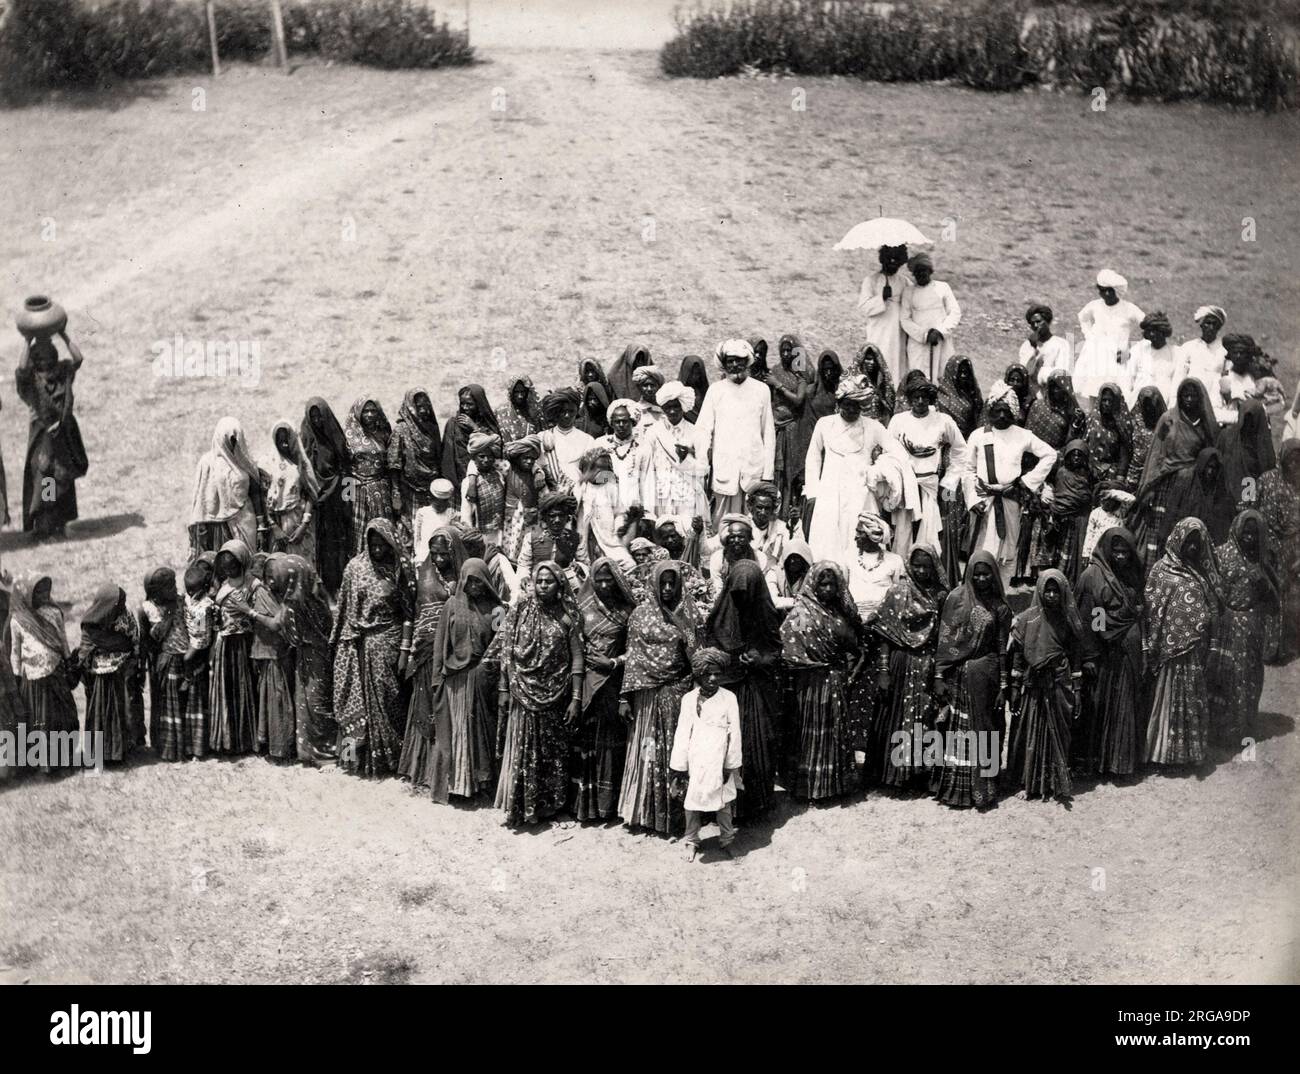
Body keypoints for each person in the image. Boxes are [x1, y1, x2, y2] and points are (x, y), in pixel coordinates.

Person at [490, 562, 584, 827]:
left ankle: (549, 806)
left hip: (556, 696)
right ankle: (521, 805)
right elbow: (507, 650)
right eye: (539, 581)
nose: (542, 586)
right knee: (523, 749)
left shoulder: (568, 615)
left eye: (548, 582)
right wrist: (504, 687)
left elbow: (577, 658)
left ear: (559, 585)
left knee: (551, 753)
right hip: (523, 691)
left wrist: (576, 699)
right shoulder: (520, 609)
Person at [618, 560, 697, 835]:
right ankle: (645, 812)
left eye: (671, 583)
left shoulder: (688, 614)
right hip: (647, 698)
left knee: (675, 755)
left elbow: (695, 659)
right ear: (653, 583)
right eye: (661, 583)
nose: (666, 588)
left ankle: (674, 817)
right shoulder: (639, 615)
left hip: (676, 693)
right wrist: (625, 698)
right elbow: (633, 658)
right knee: (647, 753)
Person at [332, 519, 414, 778]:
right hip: (357, 645)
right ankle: (352, 760)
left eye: (383, 544)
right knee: (352, 704)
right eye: (373, 544)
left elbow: (408, 614)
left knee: (390, 704)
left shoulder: (400, 569)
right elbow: (343, 609)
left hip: (388, 644)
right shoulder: (354, 568)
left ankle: (390, 762)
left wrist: (403, 651)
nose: (378, 549)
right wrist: (343, 645)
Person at [1006, 570, 1096, 801]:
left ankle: (1054, 781)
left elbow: (1075, 656)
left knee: (1058, 732)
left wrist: (1076, 690)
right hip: (1033, 685)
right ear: (1040, 590)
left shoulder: (1069, 620)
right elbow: (1017, 655)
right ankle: (1029, 782)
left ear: (1063, 591)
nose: (1052, 595)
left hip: (1058, 682)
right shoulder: (1027, 619)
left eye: (1057, 590)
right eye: (1048, 590)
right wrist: (1015, 687)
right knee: (1031, 732)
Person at [932, 551, 1011, 810]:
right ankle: (958, 789)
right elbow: (945, 640)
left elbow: (1001, 648)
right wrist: (940, 675)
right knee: (959, 732)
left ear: (994, 574)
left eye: (986, 573)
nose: (981, 578)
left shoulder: (999, 606)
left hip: (985, 677)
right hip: (958, 677)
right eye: (976, 573)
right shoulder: (956, 598)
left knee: (986, 729)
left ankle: (985, 788)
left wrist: (1002, 685)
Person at [958, 384, 1058, 588]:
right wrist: (973, 499)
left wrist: (1025, 483)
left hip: (1010, 500)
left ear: (1014, 412)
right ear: (990, 410)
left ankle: (1002, 595)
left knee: (1008, 550)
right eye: (998, 410)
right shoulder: (979, 435)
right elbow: (966, 469)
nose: (1002, 416)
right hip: (983, 501)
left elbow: (1050, 454)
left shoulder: (1023, 435)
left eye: (1007, 411)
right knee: (981, 549)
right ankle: (975, 594)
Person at [705, 559, 782, 821]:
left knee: (756, 744)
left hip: (757, 691)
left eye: (747, 593)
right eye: (738, 594)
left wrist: (760, 659)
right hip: (727, 689)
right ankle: (724, 806)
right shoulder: (721, 616)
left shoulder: (765, 613)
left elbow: (776, 650)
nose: (742, 599)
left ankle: (755, 804)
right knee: (724, 748)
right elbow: (709, 654)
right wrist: (730, 660)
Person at [778, 560, 861, 800]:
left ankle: (833, 786)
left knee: (832, 731)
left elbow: (855, 643)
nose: (826, 589)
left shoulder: (840, 611)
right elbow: (788, 643)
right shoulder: (803, 612)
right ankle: (809, 787)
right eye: (822, 584)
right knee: (810, 733)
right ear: (813, 584)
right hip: (809, 683)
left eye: (831, 585)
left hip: (835, 679)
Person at [1143, 518, 1220, 770]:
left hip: (1193, 653)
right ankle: (1160, 753)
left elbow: (1214, 607)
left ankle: (1185, 754)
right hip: (1168, 653)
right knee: (1165, 700)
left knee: (1190, 699)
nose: (1193, 549)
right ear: (1178, 540)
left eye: (1198, 544)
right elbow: (1151, 609)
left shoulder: (1200, 573)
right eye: (1188, 543)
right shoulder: (1160, 570)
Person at [804, 375, 904, 567]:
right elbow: (813, 458)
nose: (852, 410)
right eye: (848, 404)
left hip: (860, 494)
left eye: (857, 405)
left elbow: (896, 452)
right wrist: (813, 493)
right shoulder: (825, 424)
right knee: (826, 541)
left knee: (858, 538)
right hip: (829, 494)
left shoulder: (873, 427)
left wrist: (877, 470)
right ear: (840, 402)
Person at [425, 558, 503, 803]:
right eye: (470, 582)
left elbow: (499, 649)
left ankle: (479, 786)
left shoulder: (496, 610)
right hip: (454, 681)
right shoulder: (451, 605)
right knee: (453, 733)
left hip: (480, 681)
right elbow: (440, 645)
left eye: (479, 582)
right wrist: (437, 680)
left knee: (477, 735)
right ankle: (455, 787)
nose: (474, 587)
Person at [871, 546, 947, 790]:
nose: (922, 571)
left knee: (925, 716)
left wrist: (939, 673)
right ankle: (895, 775)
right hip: (900, 662)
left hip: (927, 663)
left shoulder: (941, 596)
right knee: (896, 717)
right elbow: (884, 632)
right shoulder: (898, 591)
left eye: (927, 566)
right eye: (917, 566)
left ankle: (922, 775)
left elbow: (943, 637)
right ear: (909, 566)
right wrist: (883, 670)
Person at [1072, 528, 1145, 778]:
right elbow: (1090, 618)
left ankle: (1120, 763)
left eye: (1126, 552)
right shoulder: (1092, 577)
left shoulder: (1133, 574)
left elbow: (1140, 607)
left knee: (1124, 704)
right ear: (1107, 550)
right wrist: (1093, 653)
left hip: (1127, 654)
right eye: (1116, 551)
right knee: (1100, 707)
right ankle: (1096, 763)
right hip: (1103, 655)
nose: (1121, 557)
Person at [398, 526, 466, 790]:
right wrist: (407, 650)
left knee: (446, 708)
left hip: (452, 651)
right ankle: (420, 769)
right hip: (425, 649)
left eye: (443, 554)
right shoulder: (423, 574)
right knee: (424, 704)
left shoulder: (463, 574)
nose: (438, 559)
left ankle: (445, 775)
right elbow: (411, 613)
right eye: (434, 553)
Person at [572, 558, 634, 821]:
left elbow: (637, 651)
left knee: (610, 745)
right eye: (600, 580)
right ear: (592, 581)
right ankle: (584, 807)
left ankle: (607, 806)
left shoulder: (628, 611)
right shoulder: (581, 607)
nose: (605, 584)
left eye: (610, 579)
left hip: (613, 685)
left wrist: (613, 662)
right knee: (586, 742)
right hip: (586, 684)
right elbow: (573, 642)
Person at [1132, 378, 1219, 564]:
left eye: (1193, 396)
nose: (1189, 399)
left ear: (1200, 398)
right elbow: (1157, 452)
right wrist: (1149, 486)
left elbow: (1210, 453)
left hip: (1191, 486)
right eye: (1185, 395)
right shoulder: (1168, 420)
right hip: (1166, 483)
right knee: (1160, 532)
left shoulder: (1205, 424)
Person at [670, 648, 743, 861]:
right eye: (707, 674)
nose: (712, 678)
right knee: (692, 802)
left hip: (719, 758)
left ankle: (727, 838)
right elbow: (682, 733)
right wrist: (680, 767)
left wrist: (730, 764)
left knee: (724, 801)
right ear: (698, 674)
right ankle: (691, 840)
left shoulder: (729, 698)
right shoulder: (689, 700)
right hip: (696, 759)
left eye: (717, 674)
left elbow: (735, 733)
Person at [1212, 511, 1277, 751]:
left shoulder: (1261, 559)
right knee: (1227, 676)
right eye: (1245, 532)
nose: (1249, 538)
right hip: (1226, 625)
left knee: (1250, 676)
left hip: (1252, 627)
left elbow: (1273, 601)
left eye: (1254, 534)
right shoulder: (1222, 554)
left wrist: (1263, 582)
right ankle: (1223, 731)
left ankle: (1245, 728)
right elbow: (1213, 590)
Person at [696, 339, 777, 527]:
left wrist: (767, 473)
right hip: (725, 469)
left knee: (754, 525)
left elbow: (768, 433)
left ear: (747, 361)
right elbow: (703, 429)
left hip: (753, 468)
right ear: (723, 365)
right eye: (729, 361)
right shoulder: (716, 391)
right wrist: (702, 464)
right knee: (723, 525)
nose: (734, 365)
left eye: (738, 360)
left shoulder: (761, 390)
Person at [15, 332, 88, 540]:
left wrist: (64, 334)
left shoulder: (62, 374)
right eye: (41, 356)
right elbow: (21, 370)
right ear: (35, 360)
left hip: (63, 435)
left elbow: (78, 359)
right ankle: (45, 526)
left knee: (61, 478)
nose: (46, 360)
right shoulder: (32, 381)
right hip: (42, 437)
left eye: (49, 354)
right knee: (46, 477)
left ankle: (57, 525)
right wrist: (27, 342)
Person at [888, 375, 966, 559]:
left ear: (930, 399)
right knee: (903, 532)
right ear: (909, 399)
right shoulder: (898, 421)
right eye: (916, 397)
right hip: (905, 486)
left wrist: (950, 481)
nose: (920, 401)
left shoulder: (943, 420)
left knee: (932, 531)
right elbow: (888, 451)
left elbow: (961, 450)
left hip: (933, 486)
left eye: (924, 397)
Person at [8, 574, 77, 773]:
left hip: (55, 672)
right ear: (28, 594)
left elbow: (62, 640)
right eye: (39, 592)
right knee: (41, 721)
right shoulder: (18, 620)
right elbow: (15, 652)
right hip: (33, 678)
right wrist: (16, 679)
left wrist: (68, 660)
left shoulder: (54, 613)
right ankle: (46, 763)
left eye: (47, 590)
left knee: (63, 716)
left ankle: (66, 757)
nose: (45, 595)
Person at [208, 540, 269, 756]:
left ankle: (247, 739)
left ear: (242, 563)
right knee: (228, 691)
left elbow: (261, 612)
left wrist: (246, 611)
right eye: (225, 568)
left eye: (233, 567)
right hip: (225, 644)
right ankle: (229, 741)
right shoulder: (223, 585)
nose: (229, 572)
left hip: (244, 644)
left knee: (245, 689)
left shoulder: (253, 585)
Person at [278, 553, 336, 766]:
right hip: (316, 656)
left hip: (312, 658)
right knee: (312, 703)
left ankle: (323, 754)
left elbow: (291, 636)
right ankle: (314, 751)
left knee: (314, 704)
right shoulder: (314, 596)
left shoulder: (296, 604)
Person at [77, 584, 138, 764]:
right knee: (104, 713)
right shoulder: (91, 623)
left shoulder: (125, 617)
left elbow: (134, 641)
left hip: (119, 674)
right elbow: (84, 650)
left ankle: (117, 752)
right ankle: (103, 752)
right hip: (99, 677)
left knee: (116, 713)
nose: (122, 607)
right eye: (119, 604)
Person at [189, 417, 266, 556]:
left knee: (245, 563)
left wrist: (261, 527)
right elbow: (200, 499)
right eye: (228, 439)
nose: (232, 444)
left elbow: (255, 493)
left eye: (235, 440)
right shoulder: (207, 463)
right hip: (215, 527)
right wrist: (202, 529)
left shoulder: (245, 461)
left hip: (244, 524)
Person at [299, 397, 351, 597]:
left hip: (337, 503)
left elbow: (347, 471)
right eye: (313, 417)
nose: (317, 421)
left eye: (320, 416)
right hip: (315, 504)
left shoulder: (336, 438)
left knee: (338, 546)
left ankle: (338, 587)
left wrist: (348, 500)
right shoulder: (305, 439)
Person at [138, 568, 189, 761]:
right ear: (155, 591)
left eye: (174, 583)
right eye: (168, 586)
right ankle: (166, 746)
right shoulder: (146, 609)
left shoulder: (182, 600)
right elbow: (146, 641)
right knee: (165, 704)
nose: (174, 588)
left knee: (185, 702)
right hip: (162, 661)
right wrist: (144, 668)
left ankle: (188, 745)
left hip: (184, 657)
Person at [1074, 269, 1144, 408]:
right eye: (1102, 290)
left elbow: (1148, 325)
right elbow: (1083, 318)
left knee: (1117, 393)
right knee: (1092, 390)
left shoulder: (1129, 309)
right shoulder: (1095, 305)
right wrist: (1089, 336)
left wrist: (1132, 350)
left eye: (1110, 291)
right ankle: (1094, 421)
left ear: (1117, 291)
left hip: (1117, 357)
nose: (1106, 294)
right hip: (1095, 354)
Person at [1257, 440, 1300, 661]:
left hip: (1290, 550)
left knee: (1283, 596)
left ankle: (1278, 647)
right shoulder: (1265, 479)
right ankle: (1264, 647)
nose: (1294, 463)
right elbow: (1251, 508)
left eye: (1297, 459)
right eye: (1290, 458)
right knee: (1266, 594)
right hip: (1267, 546)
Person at [644, 381, 710, 522]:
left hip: (687, 496)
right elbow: (648, 469)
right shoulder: (653, 432)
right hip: (662, 496)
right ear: (663, 408)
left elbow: (703, 470)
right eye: (668, 407)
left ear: (683, 407)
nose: (672, 411)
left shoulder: (697, 433)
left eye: (676, 407)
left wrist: (686, 460)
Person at [254, 556, 298, 761]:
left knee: (281, 700)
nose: (271, 581)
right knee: (272, 700)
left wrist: (250, 613)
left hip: (284, 655)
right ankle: (273, 746)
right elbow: (272, 625)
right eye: (268, 576)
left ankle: (283, 746)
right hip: (268, 655)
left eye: (276, 576)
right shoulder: (262, 593)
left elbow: (279, 624)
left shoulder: (291, 596)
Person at [1036, 440, 1095, 585]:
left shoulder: (1089, 474)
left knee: (1076, 550)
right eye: (1073, 454)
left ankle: (1074, 580)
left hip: (1080, 518)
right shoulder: (1061, 472)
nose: (1076, 458)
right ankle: (1056, 579)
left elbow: (1090, 494)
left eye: (1080, 455)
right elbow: (1059, 494)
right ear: (1067, 456)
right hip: (1061, 518)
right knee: (1060, 551)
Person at [769, 337, 815, 512]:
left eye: (790, 350)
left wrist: (778, 385)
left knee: (791, 472)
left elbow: (798, 400)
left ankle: (790, 511)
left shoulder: (799, 372)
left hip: (793, 429)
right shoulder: (774, 370)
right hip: (776, 428)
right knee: (776, 472)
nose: (786, 354)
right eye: (783, 350)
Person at [387, 389, 442, 531]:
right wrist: (396, 491)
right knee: (411, 526)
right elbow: (394, 464)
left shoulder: (432, 428)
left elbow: (437, 457)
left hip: (430, 487)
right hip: (409, 489)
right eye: (419, 407)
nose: (423, 410)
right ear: (410, 407)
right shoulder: (401, 430)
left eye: (426, 406)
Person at [343, 398, 394, 552]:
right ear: (358, 412)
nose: (370, 414)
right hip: (357, 490)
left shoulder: (384, 432)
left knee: (381, 530)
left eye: (373, 410)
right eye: (366, 411)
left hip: (380, 490)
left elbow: (390, 464)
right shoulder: (348, 434)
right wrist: (347, 498)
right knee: (357, 532)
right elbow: (345, 468)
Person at [265, 421, 319, 560]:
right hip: (275, 524)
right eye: (280, 440)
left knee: (302, 566)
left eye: (287, 439)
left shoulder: (301, 463)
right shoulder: (266, 463)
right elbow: (261, 496)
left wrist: (304, 525)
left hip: (298, 521)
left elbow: (310, 494)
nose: (284, 444)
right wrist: (274, 527)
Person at [857, 243, 911, 383]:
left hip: (898, 332)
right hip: (879, 330)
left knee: (897, 364)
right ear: (883, 259)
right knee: (879, 361)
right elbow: (864, 307)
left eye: (896, 260)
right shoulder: (871, 281)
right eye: (890, 259)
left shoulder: (905, 282)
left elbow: (914, 303)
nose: (893, 263)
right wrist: (882, 298)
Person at [575, 447, 636, 571]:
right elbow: (574, 509)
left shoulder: (611, 487)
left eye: (604, 468)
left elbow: (619, 512)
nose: (601, 472)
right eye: (597, 468)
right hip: (586, 537)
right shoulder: (581, 487)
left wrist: (619, 527)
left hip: (608, 538)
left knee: (629, 565)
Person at [900, 252, 960, 376]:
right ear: (913, 274)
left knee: (943, 375)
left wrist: (940, 331)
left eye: (924, 270)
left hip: (941, 341)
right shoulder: (908, 292)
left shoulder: (943, 287)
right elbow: (904, 319)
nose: (921, 274)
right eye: (917, 271)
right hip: (918, 344)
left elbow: (955, 312)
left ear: (930, 271)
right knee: (920, 378)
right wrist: (924, 335)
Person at [440, 385, 500, 505]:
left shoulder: (487, 424)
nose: (465, 407)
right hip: (458, 479)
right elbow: (447, 457)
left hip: (485, 481)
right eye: (462, 403)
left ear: (479, 404)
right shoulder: (453, 424)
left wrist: (475, 428)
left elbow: (496, 448)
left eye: (470, 404)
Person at [181, 560, 214, 757]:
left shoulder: (204, 608)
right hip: (191, 642)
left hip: (198, 649)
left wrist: (189, 656)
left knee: (199, 699)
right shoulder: (188, 599)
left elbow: (201, 638)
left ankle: (201, 746)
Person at [1217, 398, 1276, 509]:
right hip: (1228, 497)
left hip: (1253, 499)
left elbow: (1268, 474)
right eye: (1246, 418)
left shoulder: (1263, 444)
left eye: (1252, 419)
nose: (1249, 423)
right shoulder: (1227, 436)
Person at [847, 513, 905, 619]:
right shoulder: (848, 557)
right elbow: (843, 592)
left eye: (860, 533)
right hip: (854, 619)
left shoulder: (895, 560)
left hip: (884, 620)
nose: (856, 537)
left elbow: (899, 596)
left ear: (873, 536)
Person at [537, 388, 595, 491]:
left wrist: (590, 478)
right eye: (562, 411)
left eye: (571, 411)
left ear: (577, 411)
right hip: (551, 496)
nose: (567, 415)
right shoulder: (542, 437)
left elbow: (603, 478)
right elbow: (536, 468)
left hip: (580, 496)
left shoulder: (587, 440)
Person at [1174, 305, 1228, 411]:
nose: (1211, 327)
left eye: (1215, 324)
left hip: (1215, 401)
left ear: (1219, 327)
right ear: (1201, 325)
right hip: (1191, 400)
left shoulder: (1225, 350)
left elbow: (1227, 377)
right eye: (1208, 323)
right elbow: (1179, 376)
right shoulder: (1189, 347)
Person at [460, 433, 508, 550]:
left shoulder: (499, 475)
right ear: (474, 459)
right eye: (481, 457)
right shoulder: (469, 482)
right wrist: (472, 536)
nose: (486, 460)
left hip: (501, 532)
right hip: (482, 534)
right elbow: (466, 513)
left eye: (490, 456)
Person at [1125, 311, 1178, 407]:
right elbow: (1128, 379)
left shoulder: (1175, 353)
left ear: (1163, 331)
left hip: (1164, 404)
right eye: (1149, 331)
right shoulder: (1138, 350)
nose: (1152, 334)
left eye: (1155, 330)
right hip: (1138, 403)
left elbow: (1176, 383)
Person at [1085, 383, 1132, 488]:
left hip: (1110, 470)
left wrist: (1120, 476)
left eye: (1110, 401)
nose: (1106, 404)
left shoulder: (1121, 425)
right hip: (1089, 468)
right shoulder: (1091, 419)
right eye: (1104, 400)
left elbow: (1124, 453)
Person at [1020, 304, 1072, 389]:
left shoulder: (1061, 344)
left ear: (1048, 322)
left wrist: (1043, 374)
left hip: (1053, 390)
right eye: (1032, 323)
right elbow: (1025, 372)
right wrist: (1033, 348)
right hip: (1031, 391)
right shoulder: (1027, 345)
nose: (1036, 326)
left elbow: (1062, 372)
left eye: (1038, 321)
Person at [1124, 386, 1166, 492]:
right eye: (1146, 406)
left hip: (1154, 474)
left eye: (1152, 406)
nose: (1149, 409)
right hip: (1132, 474)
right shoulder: (1134, 420)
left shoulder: (1166, 424)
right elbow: (1125, 448)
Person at [934, 355, 984, 440]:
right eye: (959, 372)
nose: (963, 376)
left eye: (966, 372)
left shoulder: (973, 393)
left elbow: (980, 418)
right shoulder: (941, 398)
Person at [412, 478, 459, 564]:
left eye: (444, 501)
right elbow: (417, 537)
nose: (441, 505)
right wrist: (419, 554)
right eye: (438, 502)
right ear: (430, 498)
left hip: (444, 558)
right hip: (425, 557)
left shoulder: (452, 514)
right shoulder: (422, 512)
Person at [856, 342, 896, 422]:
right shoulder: (854, 383)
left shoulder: (884, 382)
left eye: (874, 359)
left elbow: (891, 405)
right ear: (862, 360)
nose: (872, 362)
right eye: (868, 359)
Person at [771, 537, 814, 611]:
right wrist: (794, 602)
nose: (792, 561)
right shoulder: (775, 573)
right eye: (789, 557)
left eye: (797, 558)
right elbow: (772, 600)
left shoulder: (811, 575)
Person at [499, 376, 542, 443]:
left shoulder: (534, 411)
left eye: (522, 392)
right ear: (511, 392)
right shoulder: (501, 412)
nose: (520, 396)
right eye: (516, 392)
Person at [677, 354, 710, 424]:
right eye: (691, 373)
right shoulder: (676, 393)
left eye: (697, 374)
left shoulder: (704, 392)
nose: (694, 377)